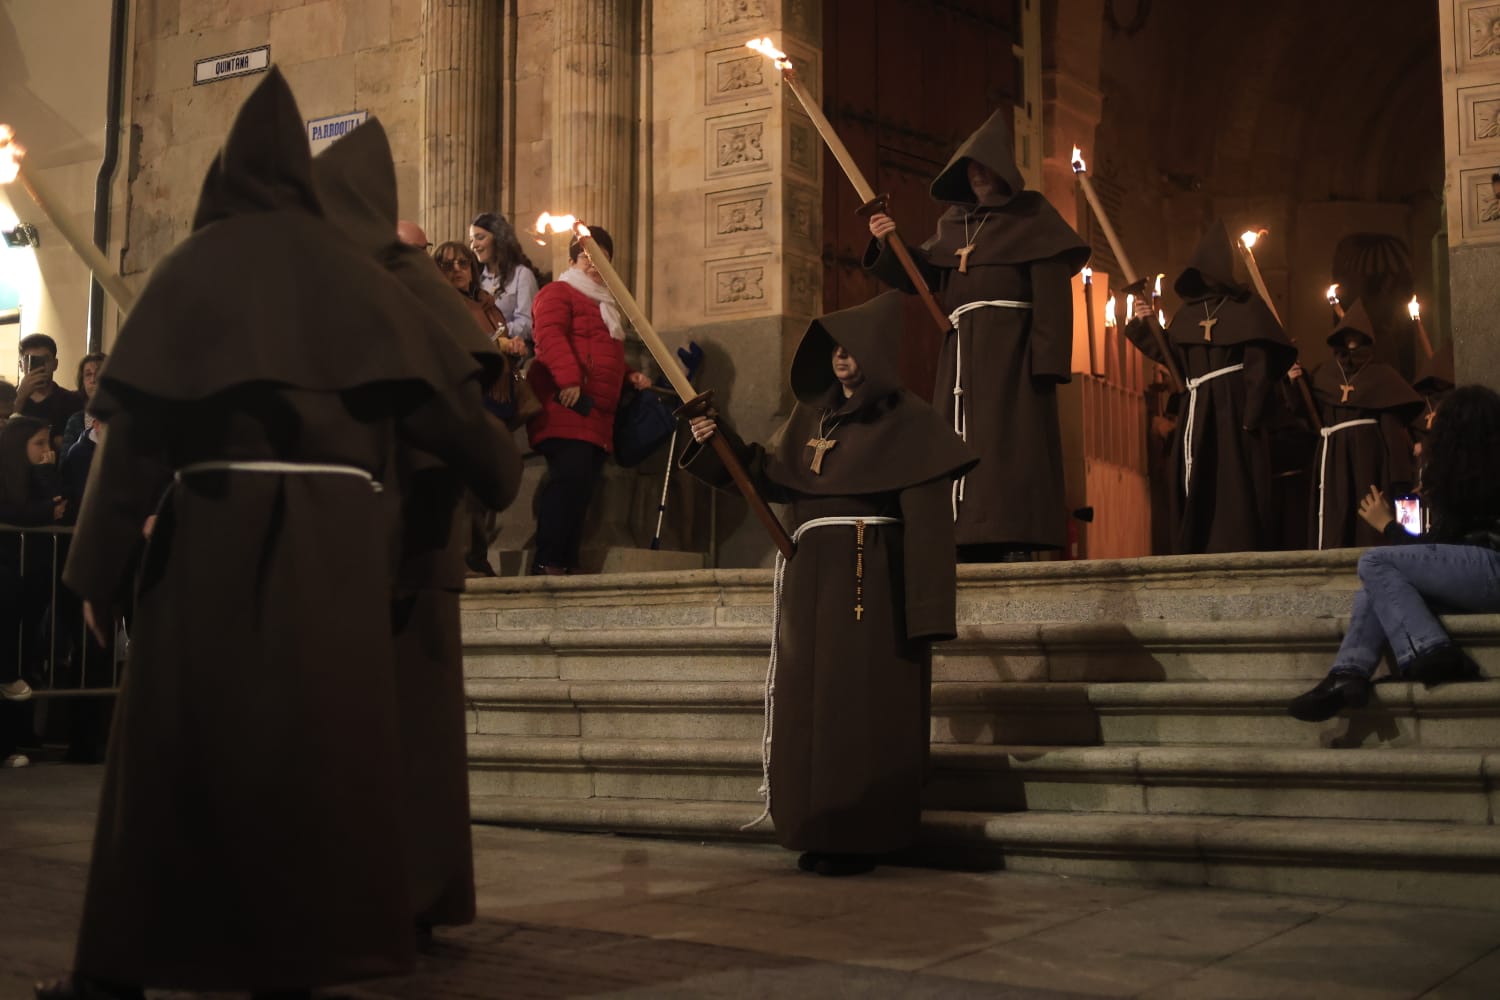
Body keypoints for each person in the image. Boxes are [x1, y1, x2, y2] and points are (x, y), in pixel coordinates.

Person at [36, 68, 518, 1000]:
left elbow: (134, 437)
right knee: (310, 758)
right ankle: (296, 958)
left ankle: (121, 972)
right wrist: (491, 468)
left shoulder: (196, 270)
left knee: (173, 756)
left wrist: (97, 572)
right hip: (334, 563)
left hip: (210, 541)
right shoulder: (360, 282)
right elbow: (458, 427)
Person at [312, 119, 522, 942]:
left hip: (400, 549)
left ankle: (403, 897)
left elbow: (474, 430)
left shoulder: (340, 291)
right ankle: (386, 898)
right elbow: (481, 444)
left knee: (408, 737)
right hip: (359, 551)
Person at [684, 291, 975, 876]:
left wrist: (928, 609)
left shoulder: (911, 422)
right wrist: (716, 441)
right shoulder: (808, 420)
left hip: (873, 580)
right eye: (834, 351)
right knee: (808, 707)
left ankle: (864, 830)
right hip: (811, 574)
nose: (841, 360)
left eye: (851, 350)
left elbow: (927, 523)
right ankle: (812, 823)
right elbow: (767, 477)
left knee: (859, 704)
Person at [865, 109, 1089, 561]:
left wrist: (1046, 363)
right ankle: (961, 529)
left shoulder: (1034, 219)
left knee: (1009, 443)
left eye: (986, 168)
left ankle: (1007, 528)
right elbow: (920, 274)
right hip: (962, 351)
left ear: (1003, 170)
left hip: (1013, 355)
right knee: (958, 438)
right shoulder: (954, 224)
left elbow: (1052, 293)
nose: (979, 176)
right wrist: (888, 242)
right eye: (972, 169)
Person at [1287, 385, 1500, 722]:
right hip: (1479, 574)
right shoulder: (1471, 472)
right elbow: (1438, 554)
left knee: (1375, 562)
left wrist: (1387, 525)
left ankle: (1432, 651)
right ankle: (1349, 672)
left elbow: (1438, 551)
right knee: (1377, 585)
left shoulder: (1476, 476)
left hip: (1491, 569)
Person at [1123, 222, 1297, 553]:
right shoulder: (1188, 314)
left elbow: (1259, 366)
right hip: (1198, 406)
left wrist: (1252, 414)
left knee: (1234, 477)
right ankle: (1196, 542)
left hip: (1234, 406)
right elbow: (1172, 356)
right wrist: (1145, 325)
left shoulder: (1247, 309)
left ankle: (1238, 541)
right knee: (1198, 474)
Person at [526, 226, 651, 575]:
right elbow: (549, 338)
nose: (596, 265)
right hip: (567, 406)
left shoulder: (603, 304)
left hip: (597, 415)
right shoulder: (558, 292)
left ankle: (564, 562)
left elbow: (598, 351)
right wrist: (568, 381)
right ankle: (548, 562)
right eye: (588, 258)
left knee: (581, 489)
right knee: (568, 481)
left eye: (603, 260)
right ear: (572, 261)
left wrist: (629, 375)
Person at [1292, 300, 1423, 550]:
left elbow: (1392, 431)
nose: (1350, 345)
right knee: (1336, 513)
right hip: (1333, 460)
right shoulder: (1325, 374)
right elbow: (1309, 418)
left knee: (1367, 521)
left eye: (1356, 339)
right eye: (1346, 338)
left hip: (1369, 460)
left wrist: (1400, 477)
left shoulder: (1382, 377)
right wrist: (1295, 384)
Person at [433, 239, 524, 576]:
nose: (457, 270)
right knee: (466, 487)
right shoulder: (440, 304)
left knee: (485, 486)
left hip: (496, 401)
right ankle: (465, 558)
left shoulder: (488, 306)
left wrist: (513, 349)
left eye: (463, 263)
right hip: (465, 399)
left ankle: (478, 554)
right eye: (448, 265)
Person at [0, 416, 66, 707]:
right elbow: (10, 512)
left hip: (35, 573)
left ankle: (20, 736)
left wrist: (44, 473)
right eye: (38, 443)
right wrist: (42, 512)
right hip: (9, 570)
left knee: (26, 650)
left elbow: (61, 505)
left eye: (48, 442)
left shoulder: (42, 471)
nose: (46, 450)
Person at [469, 211, 540, 346]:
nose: (474, 246)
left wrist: (494, 333)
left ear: (498, 238)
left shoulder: (522, 275)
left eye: (480, 237)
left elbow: (528, 324)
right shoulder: (476, 279)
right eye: (471, 240)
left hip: (515, 351)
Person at [16, 334, 86, 450]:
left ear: (55, 364)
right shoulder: (6, 398)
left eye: (45, 360)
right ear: (21, 365)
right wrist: (19, 398)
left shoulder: (73, 401)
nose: (40, 367)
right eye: (30, 360)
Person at [61, 353, 106, 453]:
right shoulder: (75, 421)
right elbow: (65, 464)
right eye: (88, 374)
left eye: (99, 373)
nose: (93, 380)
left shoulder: (122, 418)